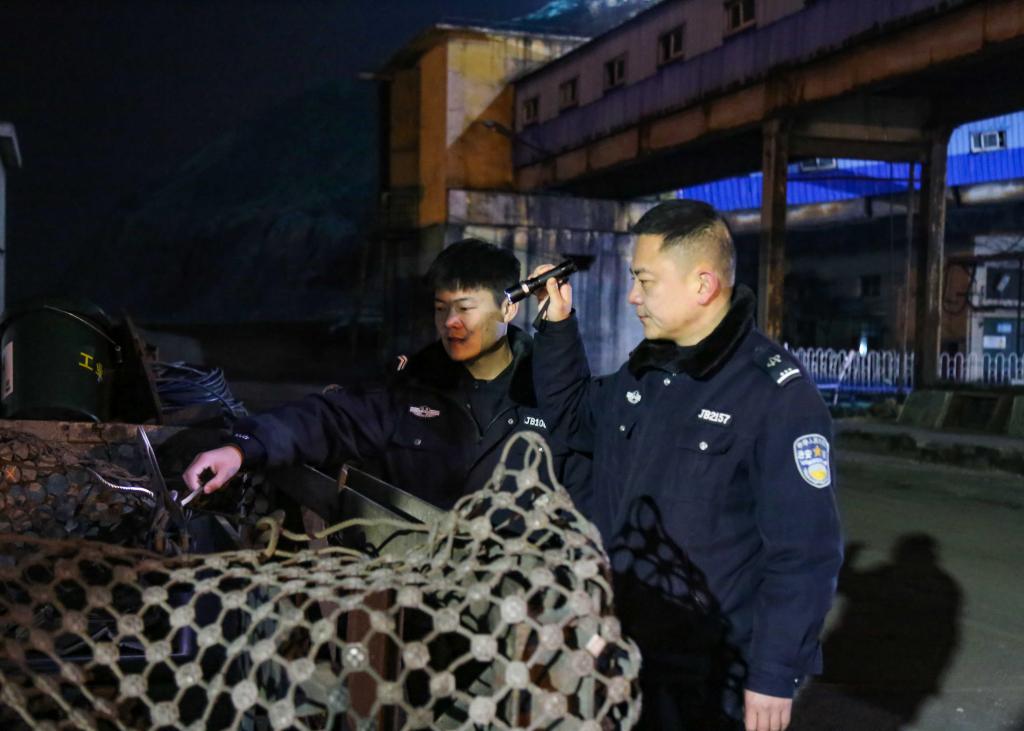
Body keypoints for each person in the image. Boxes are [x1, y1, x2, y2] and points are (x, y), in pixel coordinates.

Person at [530, 200, 843, 731]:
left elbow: (804, 552)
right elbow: (571, 418)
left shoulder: (774, 395)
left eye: (644, 281)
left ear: (703, 285)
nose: (632, 296)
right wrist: (558, 324)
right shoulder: (647, 372)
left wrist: (772, 674)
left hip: (709, 678)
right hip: (623, 651)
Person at [183, 238, 588, 510]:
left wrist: (560, 328)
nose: (450, 322)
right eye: (441, 308)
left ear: (509, 308)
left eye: (465, 308)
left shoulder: (552, 391)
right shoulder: (411, 387)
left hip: (520, 597)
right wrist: (241, 450)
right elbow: (330, 419)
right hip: (418, 588)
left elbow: (591, 465)